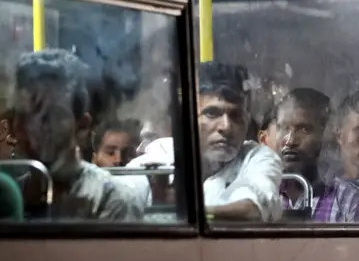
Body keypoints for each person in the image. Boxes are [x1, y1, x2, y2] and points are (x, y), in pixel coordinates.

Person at [130, 61, 283, 221]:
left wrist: (180, 212)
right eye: (212, 113)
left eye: (235, 115)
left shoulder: (258, 158)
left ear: (247, 120)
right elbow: (123, 193)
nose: (226, 126)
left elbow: (253, 210)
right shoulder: (162, 152)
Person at [10, 49, 143, 220]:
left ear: (82, 126)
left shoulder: (112, 199)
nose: (30, 128)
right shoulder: (9, 197)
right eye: (23, 116)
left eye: (49, 116)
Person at [259, 88, 359, 223]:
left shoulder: (352, 204)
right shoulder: (259, 197)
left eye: (305, 129)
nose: (290, 141)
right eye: (284, 128)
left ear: (326, 136)